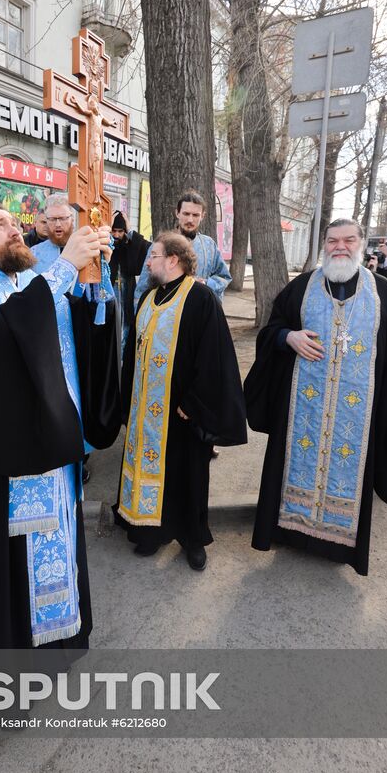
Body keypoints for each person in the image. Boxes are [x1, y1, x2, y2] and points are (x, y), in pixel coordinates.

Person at [0, 203, 120, 665]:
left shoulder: (16, 283)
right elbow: (3, 342)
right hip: (8, 468)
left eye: (17, 224)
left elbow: (59, 337)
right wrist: (61, 268)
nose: (15, 231)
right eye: (0, 226)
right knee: (10, 576)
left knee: (60, 548)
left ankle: (58, 648)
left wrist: (92, 293)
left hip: (51, 453)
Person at [245, 219, 387, 576]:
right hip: (301, 411)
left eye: (348, 240)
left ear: (361, 245)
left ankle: (339, 546)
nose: (340, 247)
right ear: (324, 245)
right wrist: (287, 339)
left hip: (357, 418)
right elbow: (272, 330)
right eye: (332, 240)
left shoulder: (382, 292)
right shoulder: (302, 288)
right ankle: (289, 531)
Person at [115, 232, 247, 570]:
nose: (148, 260)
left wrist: (193, 402)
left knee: (187, 476)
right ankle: (151, 533)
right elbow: (133, 351)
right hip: (146, 412)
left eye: (154, 255)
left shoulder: (201, 298)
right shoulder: (149, 297)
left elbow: (215, 359)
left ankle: (192, 540)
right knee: (152, 472)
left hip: (183, 413)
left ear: (173, 259)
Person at [135, 190, 231, 306]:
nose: (190, 220)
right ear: (177, 213)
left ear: (203, 216)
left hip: (200, 312)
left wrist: (206, 284)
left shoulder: (209, 246)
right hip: (166, 315)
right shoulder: (160, 245)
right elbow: (143, 288)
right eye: (186, 214)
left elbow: (224, 277)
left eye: (195, 215)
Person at [110, 211, 150, 351]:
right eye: (113, 231)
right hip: (109, 297)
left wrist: (131, 231)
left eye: (120, 231)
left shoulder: (129, 246)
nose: (116, 235)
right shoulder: (105, 244)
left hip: (126, 296)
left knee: (126, 336)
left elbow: (148, 248)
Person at [30, 193, 74, 272]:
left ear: (72, 218)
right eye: (52, 219)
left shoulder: (85, 248)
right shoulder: (34, 254)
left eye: (63, 218)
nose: (58, 224)